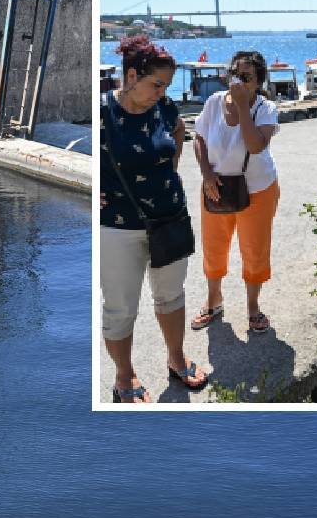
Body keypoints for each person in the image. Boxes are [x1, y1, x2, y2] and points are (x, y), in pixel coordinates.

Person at [100, 35, 207, 402]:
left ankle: (176, 359)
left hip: (170, 217)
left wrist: (173, 164)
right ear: (131, 75)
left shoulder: (164, 107)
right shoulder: (102, 112)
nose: (161, 93)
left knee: (171, 295)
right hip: (118, 226)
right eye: (155, 84)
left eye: (166, 86)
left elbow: (179, 130)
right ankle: (124, 376)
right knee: (120, 307)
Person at [190, 50, 282, 337]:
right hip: (216, 187)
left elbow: (256, 146)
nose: (239, 82)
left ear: (258, 81)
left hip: (258, 189)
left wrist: (243, 106)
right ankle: (213, 300)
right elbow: (199, 138)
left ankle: (253, 307)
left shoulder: (265, 109)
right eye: (235, 75)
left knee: (254, 249)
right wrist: (206, 173)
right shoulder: (214, 102)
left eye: (246, 77)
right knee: (214, 246)